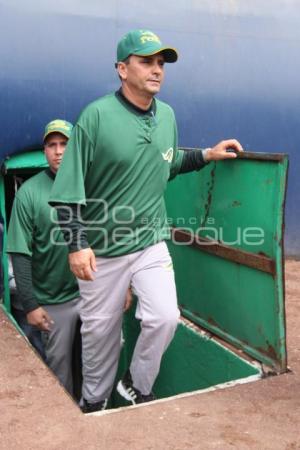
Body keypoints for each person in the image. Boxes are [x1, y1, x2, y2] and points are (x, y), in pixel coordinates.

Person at [49, 29, 244, 413]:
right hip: (100, 251)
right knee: (100, 335)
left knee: (165, 316)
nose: (156, 70)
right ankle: (93, 402)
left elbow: (167, 164)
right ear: (122, 69)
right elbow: (68, 188)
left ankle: (135, 384)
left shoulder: (167, 115)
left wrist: (206, 154)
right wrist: (76, 243)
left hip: (149, 241)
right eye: (146, 61)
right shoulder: (97, 116)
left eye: (161, 63)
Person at [7, 119, 82, 398]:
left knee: (104, 353)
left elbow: (110, 241)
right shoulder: (29, 193)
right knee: (59, 370)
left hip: (90, 293)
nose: (59, 151)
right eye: (52, 145)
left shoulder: (91, 185)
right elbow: (19, 252)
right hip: (52, 301)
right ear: (44, 151)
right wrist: (31, 305)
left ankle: (97, 412)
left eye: (65, 144)